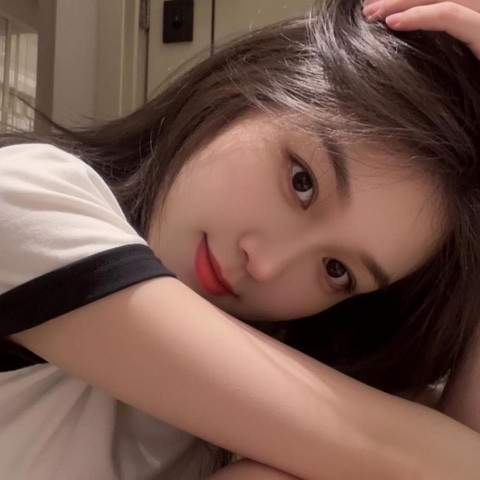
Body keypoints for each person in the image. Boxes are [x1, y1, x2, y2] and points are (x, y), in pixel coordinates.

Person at [0, 0, 479, 478]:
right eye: (302, 182)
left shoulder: (238, 414)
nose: (265, 265)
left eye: (337, 271)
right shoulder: (30, 197)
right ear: (254, 85)